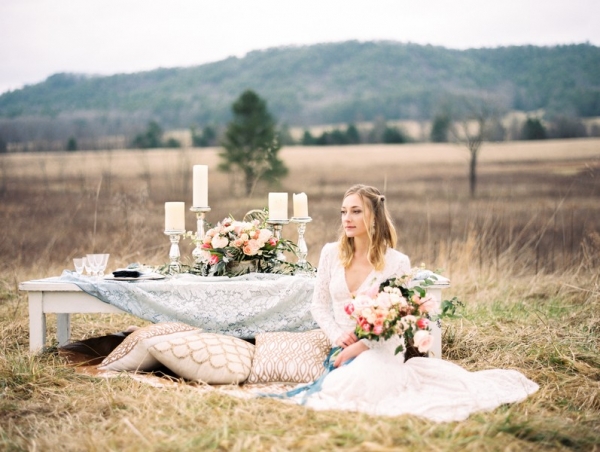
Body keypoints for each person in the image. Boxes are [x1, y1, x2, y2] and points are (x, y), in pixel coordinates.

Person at [302, 184, 539, 422]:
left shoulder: (397, 262)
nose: (347, 219)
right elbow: (318, 306)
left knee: (363, 382)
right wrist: (337, 336)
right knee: (340, 385)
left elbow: (397, 322)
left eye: (356, 211)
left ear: (374, 216)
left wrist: (361, 345)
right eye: (343, 212)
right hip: (341, 344)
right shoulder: (331, 253)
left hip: (379, 347)